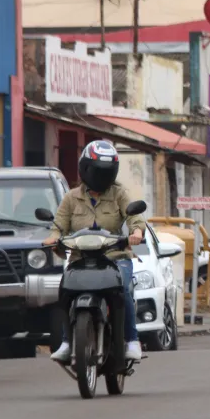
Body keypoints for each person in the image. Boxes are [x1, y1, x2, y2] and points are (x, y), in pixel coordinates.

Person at [44, 140, 146, 363]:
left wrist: (136, 232)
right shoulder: (71, 198)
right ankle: (67, 341)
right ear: (85, 169)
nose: (101, 176)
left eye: (106, 172)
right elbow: (59, 225)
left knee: (123, 290)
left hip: (115, 258)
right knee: (65, 292)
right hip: (81, 259)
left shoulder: (120, 194)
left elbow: (135, 218)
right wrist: (52, 239)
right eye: (97, 170)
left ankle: (132, 340)